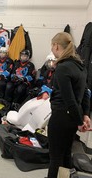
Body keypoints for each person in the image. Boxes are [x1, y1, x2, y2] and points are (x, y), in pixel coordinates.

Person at [47, 32, 91, 178]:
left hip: (61, 117)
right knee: (65, 154)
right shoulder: (80, 66)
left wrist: (80, 121)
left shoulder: (63, 67)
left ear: (56, 46)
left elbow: (69, 99)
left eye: (52, 46)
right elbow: (85, 94)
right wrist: (85, 115)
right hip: (72, 118)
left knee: (55, 158)